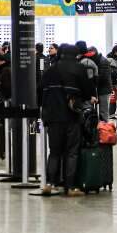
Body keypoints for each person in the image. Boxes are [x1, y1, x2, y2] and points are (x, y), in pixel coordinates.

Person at [40, 44, 95, 196]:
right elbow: (88, 91)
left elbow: (40, 92)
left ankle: (50, 184)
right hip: (71, 116)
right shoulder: (79, 69)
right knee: (71, 152)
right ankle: (70, 187)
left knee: (55, 151)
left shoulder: (50, 70)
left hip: (52, 116)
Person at [87, 46, 112, 121]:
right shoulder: (93, 60)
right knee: (92, 111)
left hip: (104, 90)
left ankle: (104, 130)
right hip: (95, 88)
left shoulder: (103, 61)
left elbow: (103, 77)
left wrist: (91, 82)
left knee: (103, 112)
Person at [107, 45, 117, 114]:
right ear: (116, 52)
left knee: (115, 99)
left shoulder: (116, 59)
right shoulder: (109, 59)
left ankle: (113, 113)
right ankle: (111, 114)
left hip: (116, 83)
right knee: (112, 99)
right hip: (112, 84)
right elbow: (108, 72)